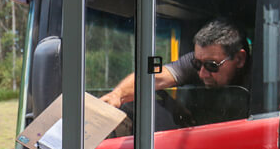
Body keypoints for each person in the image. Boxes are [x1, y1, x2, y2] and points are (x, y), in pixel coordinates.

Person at [99, 17, 250, 109]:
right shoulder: (199, 60)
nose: (202, 73)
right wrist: (117, 95)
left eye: (212, 65)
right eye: (197, 64)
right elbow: (153, 78)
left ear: (239, 59)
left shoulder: (267, 78)